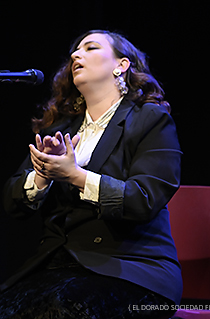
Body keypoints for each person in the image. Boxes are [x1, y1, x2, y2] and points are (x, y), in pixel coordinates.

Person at [1, 30, 182, 318]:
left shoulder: (150, 121)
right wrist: (42, 176)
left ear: (121, 65)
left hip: (132, 269)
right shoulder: (60, 129)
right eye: (75, 50)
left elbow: (144, 199)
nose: (75, 55)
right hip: (57, 267)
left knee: (64, 309)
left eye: (90, 47)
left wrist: (75, 175)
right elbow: (12, 202)